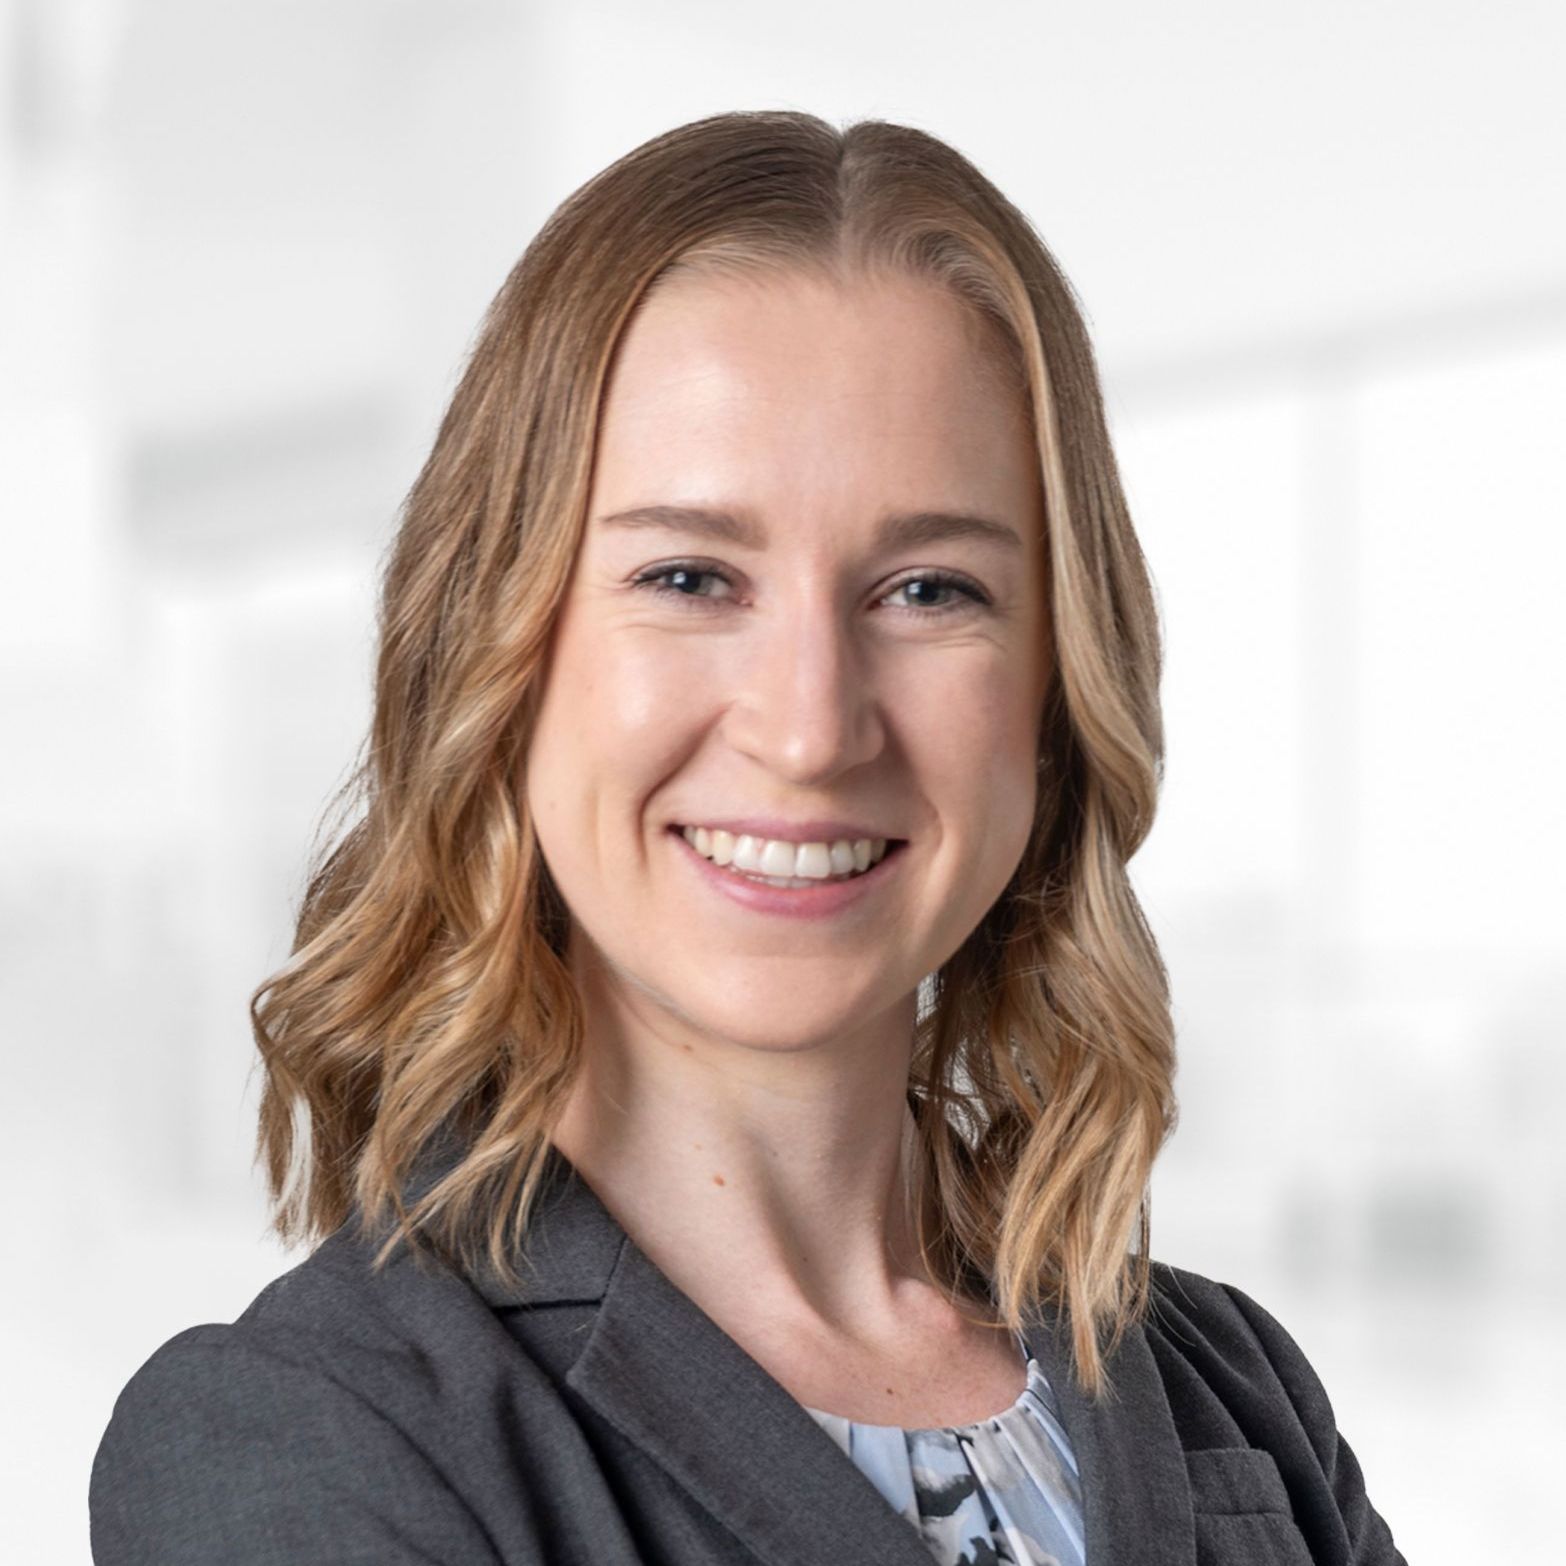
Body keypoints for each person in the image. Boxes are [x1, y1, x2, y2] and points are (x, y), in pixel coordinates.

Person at [89, 110, 1405, 1566]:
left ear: (1054, 679)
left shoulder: (1233, 1388)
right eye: (690, 574)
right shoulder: (312, 1436)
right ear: (499, 653)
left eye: (927, 589)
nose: (809, 724)